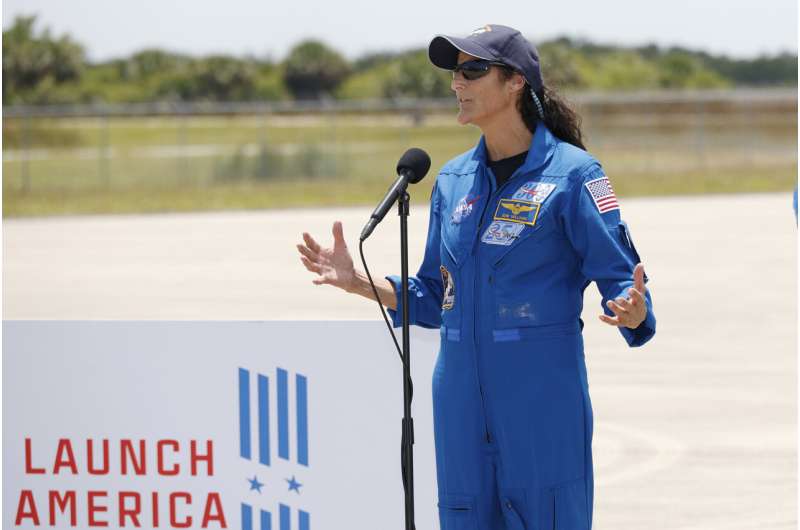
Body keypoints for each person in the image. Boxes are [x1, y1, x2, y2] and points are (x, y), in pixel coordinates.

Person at [297, 24, 656, 530]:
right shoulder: (450, 181)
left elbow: (622, 277)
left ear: (515, 83)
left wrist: (633, 311)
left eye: (471, 70)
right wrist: (358, 283)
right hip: (459, 401)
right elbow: (431, 296)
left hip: (539, 400)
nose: (455, 83)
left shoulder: (574, 175)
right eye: (453, 72)